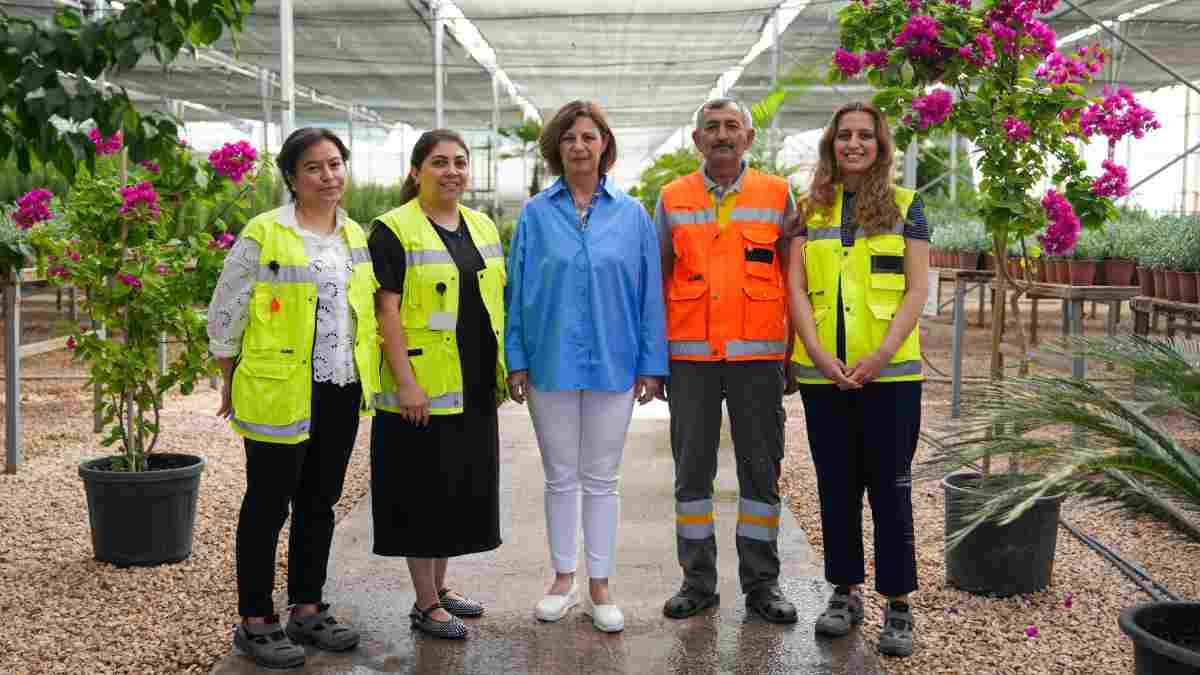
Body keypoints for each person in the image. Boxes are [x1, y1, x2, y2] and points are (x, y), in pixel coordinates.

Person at [209, 127, 380, 670]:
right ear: (291, 177)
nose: (328, 176)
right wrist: (230, 373)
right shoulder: (266, 233)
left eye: (335, 165)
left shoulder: (355, 236)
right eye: (314, 168)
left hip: (339, 385)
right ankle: (256, 620)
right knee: (267, 504)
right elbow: (227, 308)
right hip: (279, 388)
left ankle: (308, 607)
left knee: (319, 502)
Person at [505, 100, 668, 634]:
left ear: (605, 146)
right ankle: (561, 578)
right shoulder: (534, 214)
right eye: (569, 137)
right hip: (549, 361)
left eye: (588, 137)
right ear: (558, 147)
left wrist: (651, 363)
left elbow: (649, 296)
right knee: (560, 476)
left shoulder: (633, 214)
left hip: (614, 361)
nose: (579, 145)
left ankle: (601, 585)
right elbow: (517, 292)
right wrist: (517, 359)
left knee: (601, 478)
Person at [787, 101, 929, 658]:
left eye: (864, 136)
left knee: (891, 488)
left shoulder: (907, 207)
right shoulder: (808, 209)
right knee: (836, 486)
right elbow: (796, 288)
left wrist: (880, 355)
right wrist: (817, 355)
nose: (853, 144)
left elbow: (917, 289)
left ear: (880, 145)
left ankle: (897, 602)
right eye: (843, 135)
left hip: (889, 375)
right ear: (831, 145)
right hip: (825, 377)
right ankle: (844, 594)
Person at [655, 98, 799, 624]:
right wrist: (656, 359)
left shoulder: (778, 195)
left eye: (731, 126)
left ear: (749, 137)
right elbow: (659, 282)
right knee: (692, 476)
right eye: (711, 128)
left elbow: (796, 283)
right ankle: (698, 583)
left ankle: (763, 584)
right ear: (696, 140)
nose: (721, 135)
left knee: (761, 475)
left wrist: (794, 355)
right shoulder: (672, 198)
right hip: (690, 361)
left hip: (758, 361)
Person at [368, 129, 507, 640]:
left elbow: (494, 302)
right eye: (439, 162)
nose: (452, 171)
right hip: (420, 388)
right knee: (420, 493)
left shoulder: (482, 226)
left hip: (470, 383)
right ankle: (424, 603)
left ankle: (441, 588)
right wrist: (406, 384)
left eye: (460, 162)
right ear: (416, 171)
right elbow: (385, 312)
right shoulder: (393, 230)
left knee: (455, 490)